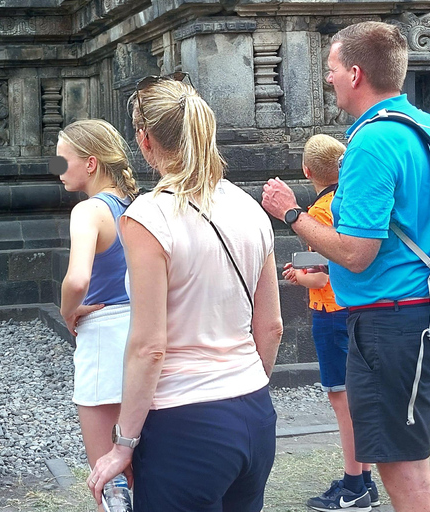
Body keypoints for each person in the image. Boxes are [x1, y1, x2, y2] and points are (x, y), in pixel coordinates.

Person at [261, 22, 430, 512]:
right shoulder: (422, 124)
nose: (328, 78)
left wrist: (291, 214)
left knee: (401, 466)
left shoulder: (372, 142)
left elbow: (357, 253)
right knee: (405, 456)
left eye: (332, 68)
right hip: (426, 307)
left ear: (355, 74)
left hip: (392, 319)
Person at [86, 73, 283, 511]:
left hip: (184, 420)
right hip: (253, 410)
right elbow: (271, 326)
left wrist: (123, 443)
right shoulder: (249, 207)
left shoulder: (149, 216)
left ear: (144, 139)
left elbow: (149, 346)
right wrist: (243, 384)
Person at [283, 134, 378, 511]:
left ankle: (354, 485)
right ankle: (364, 479)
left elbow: (323, 278)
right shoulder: (347, 200)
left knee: (342, 400)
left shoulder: (320, 211)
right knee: (355, 399)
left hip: (331, 313)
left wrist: (297, 276)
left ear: (307, 171)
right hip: (353, 310)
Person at [56, 119, 139, 512]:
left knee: (109, 476)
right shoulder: (137, 205)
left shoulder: (89, 210)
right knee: (141, 464)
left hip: (104, 336)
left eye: (63, 160)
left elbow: (77, 279)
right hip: (142, 330)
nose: (58, 170)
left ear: (90, 163)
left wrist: (67, 311)